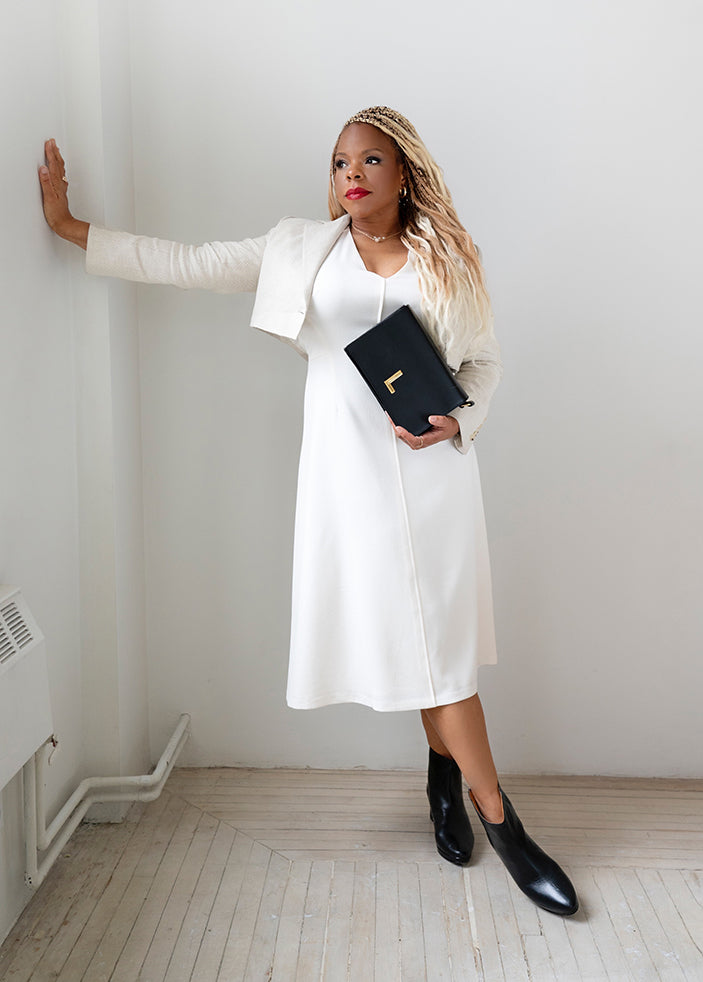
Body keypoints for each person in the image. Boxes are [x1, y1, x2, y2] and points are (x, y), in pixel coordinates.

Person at [39, 106, 578, 916]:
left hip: (432, 481)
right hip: (347, 483)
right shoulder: (300, 249)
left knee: (441, 654)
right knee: (415, 643)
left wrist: (457, 421)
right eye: (338, 163)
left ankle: (499, 822)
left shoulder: (446, 258)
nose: (350, 175)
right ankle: (445, 782)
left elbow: (484, 362)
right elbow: (189, 262)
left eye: (369, 160)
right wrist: (69, 226)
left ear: (403, 172)